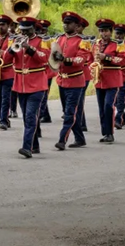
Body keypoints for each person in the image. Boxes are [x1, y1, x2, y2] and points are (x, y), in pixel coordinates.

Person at [5, 17, 49, 158]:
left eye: (27, 30)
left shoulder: (42, 41)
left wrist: (29, 48)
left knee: (30, 116)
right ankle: (34, 144)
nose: (24, 33)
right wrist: (11, 49)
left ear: (33, 29)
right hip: (20, 85)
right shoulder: (15, 40)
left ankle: (27, 147)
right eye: (22, 30)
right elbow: (5, 60)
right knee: (27, 117)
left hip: (37, 85)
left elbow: (44, 58)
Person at [53, 11, 91, 151]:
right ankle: (80, 138)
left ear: (76, 25)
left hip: (75, 82)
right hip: (62, 81)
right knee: (69, 111)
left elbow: (81, 60)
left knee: (69, 113)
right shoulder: (59, 39)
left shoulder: (83, 41)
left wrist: (65, 60)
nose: (65, 25)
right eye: (65, 23)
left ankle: (62, 140)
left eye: (69, 23)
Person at [92, 19, 123, 144]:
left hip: (113, 79)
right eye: (101, 31)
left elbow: (122, 60)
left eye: (105, 31)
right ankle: (105, 132)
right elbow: (91, 59)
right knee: (101, 108)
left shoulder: (118, 44)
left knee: (108, 105)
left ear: (111, 32)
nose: (103, 34)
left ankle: (110, 133)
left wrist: (107, 57)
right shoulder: (96, 44)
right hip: (100, 79)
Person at [0, 15, 15, 130]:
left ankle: (3, 120)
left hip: (8, 71)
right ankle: (4, 118)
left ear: (8, 26)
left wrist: (4, 52)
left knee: (5, 97)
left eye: (3, 25)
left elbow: (14, 53)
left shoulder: (12, 39)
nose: (0, 27)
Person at [37, 19, 55, 124]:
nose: (42, 32)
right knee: (42, 95)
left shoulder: (50, 41)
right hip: (39, 71)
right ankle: (46, 115)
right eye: (40, 30)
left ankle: (41, 114)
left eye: (44, 30)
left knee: (43, 95)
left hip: (47, 71)